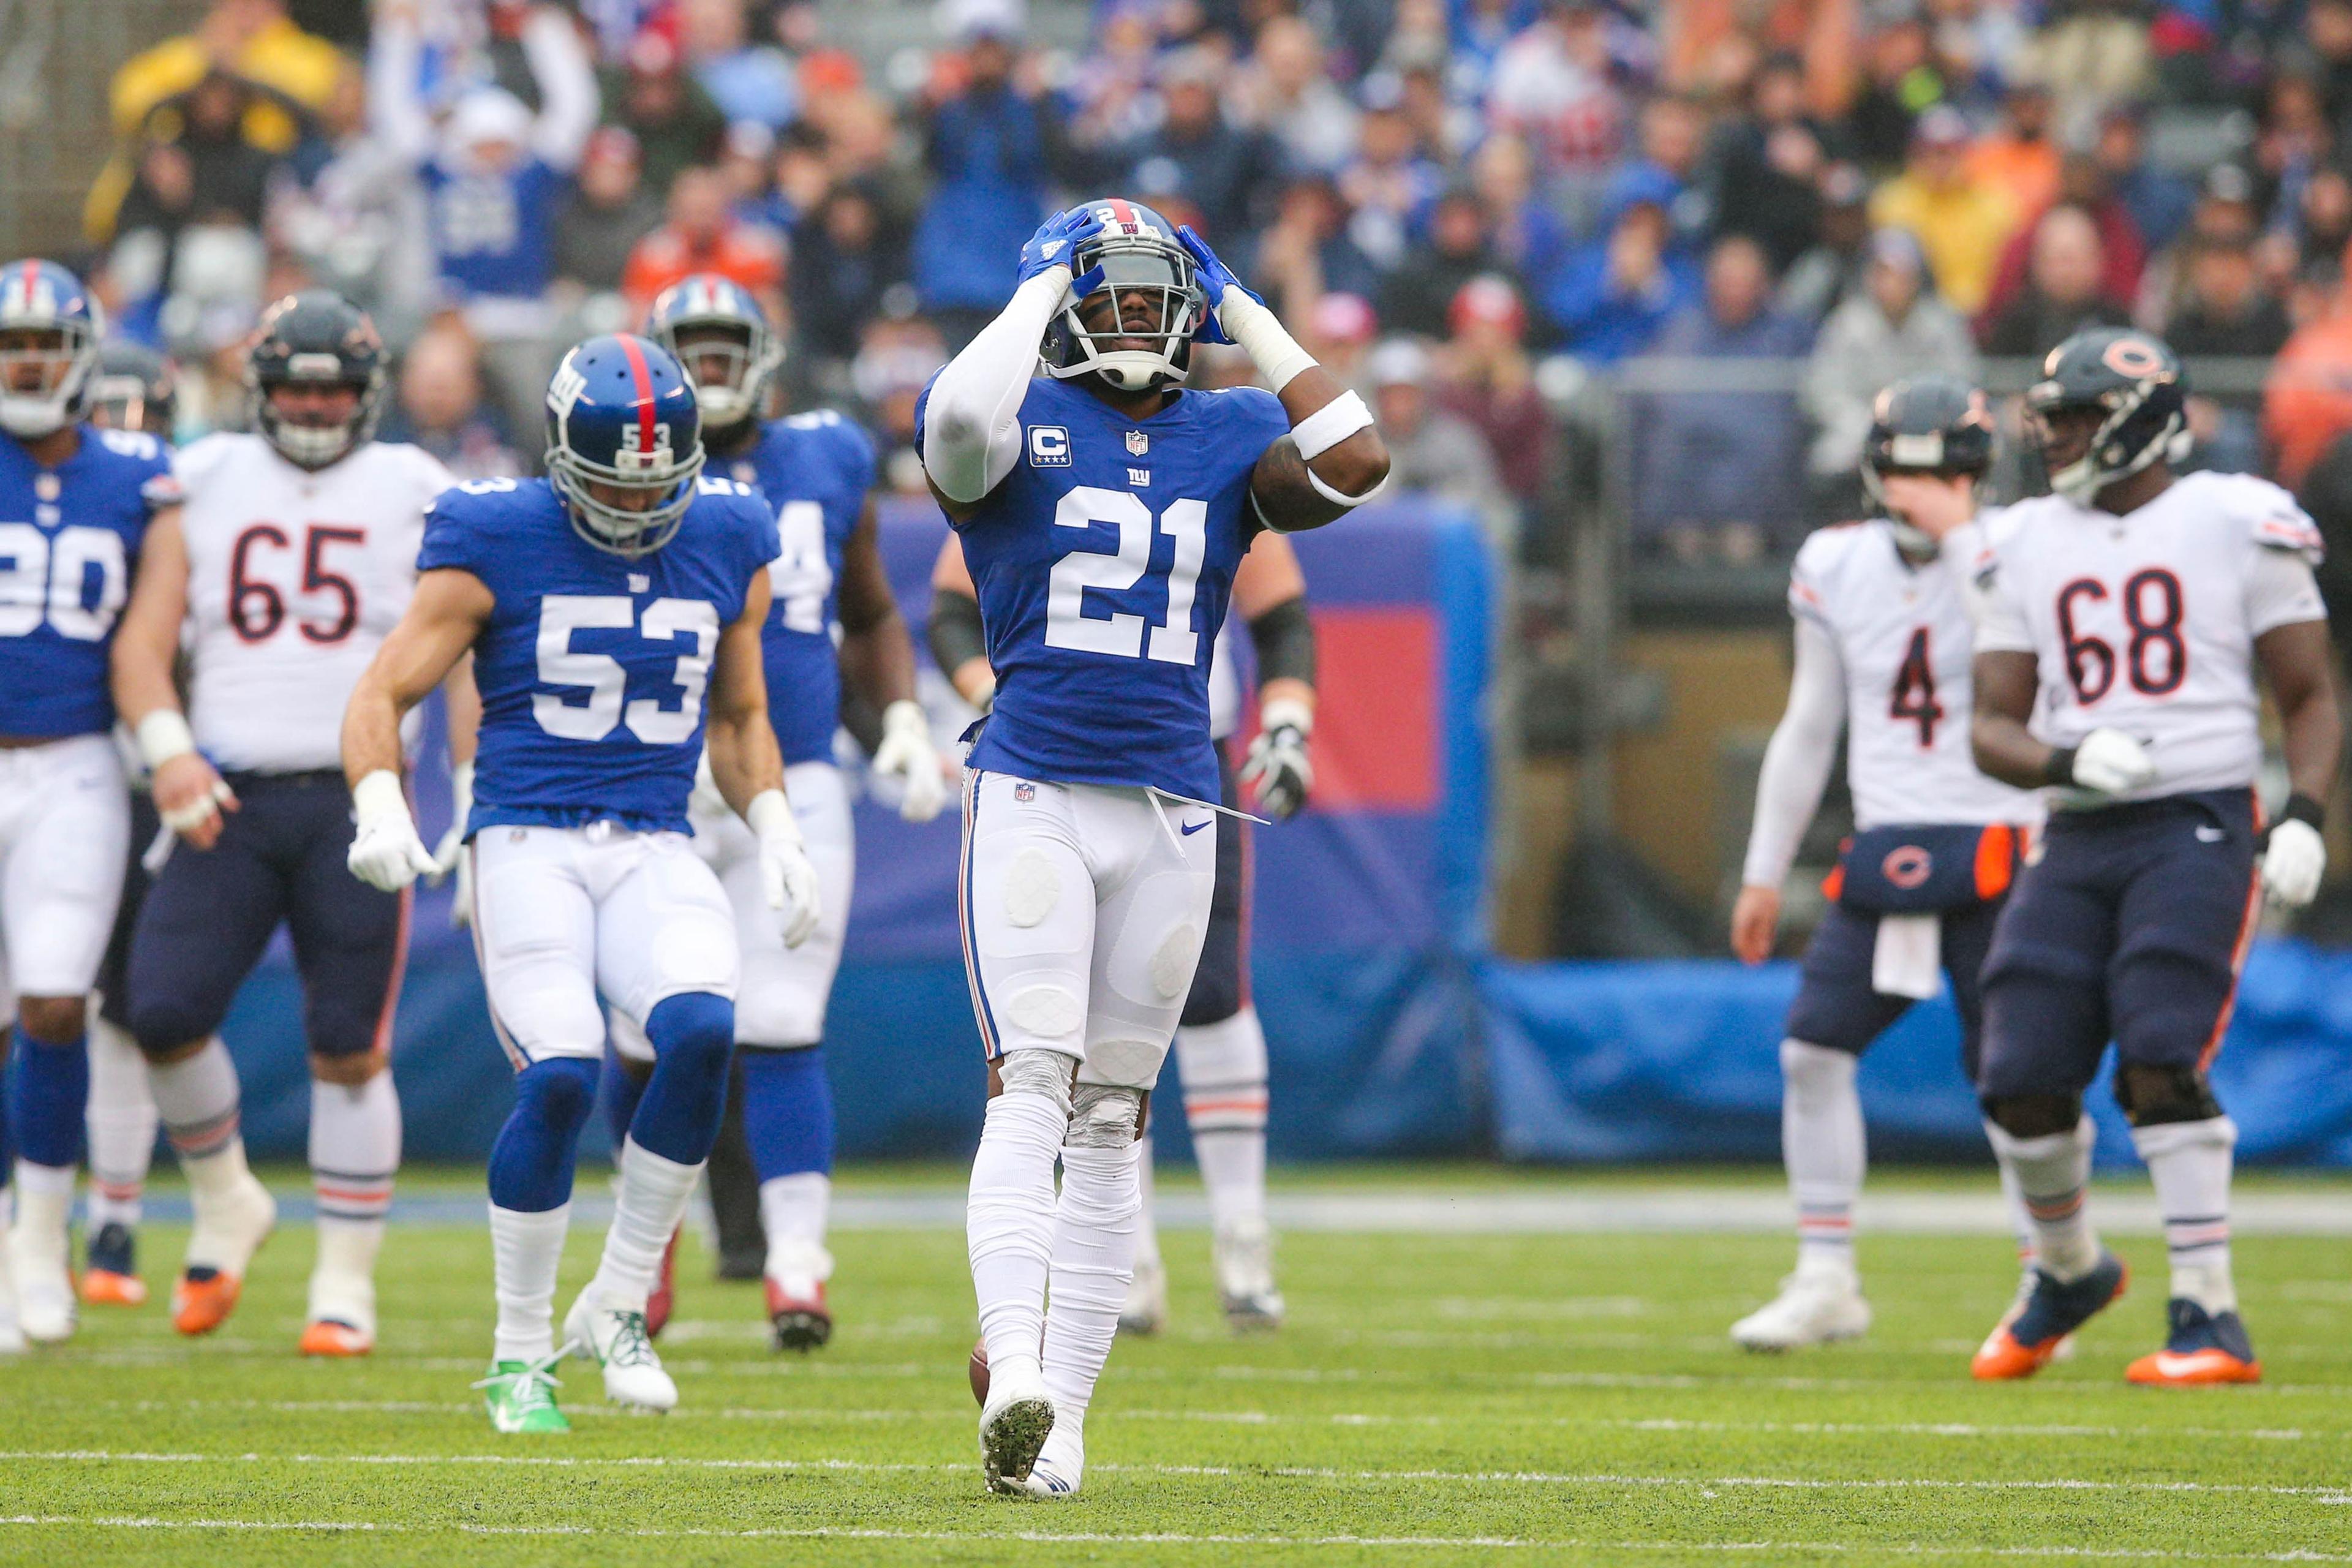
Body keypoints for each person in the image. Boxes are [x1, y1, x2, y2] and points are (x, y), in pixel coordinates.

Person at [921, 198, 1387, 1496]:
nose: (1135, 319)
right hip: (1036, 792)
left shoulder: (1232, 428)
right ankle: (1011, 1364)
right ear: (1065, 307)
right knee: (1035, 1083)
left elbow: (1356, 458)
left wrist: (1245, 306)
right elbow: (957, 424)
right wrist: (1029, 287)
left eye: (1158, 300)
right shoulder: (1011, 418)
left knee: (1118, 1118)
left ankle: (1060, 1427)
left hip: (1177, 805)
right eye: (1107, 297)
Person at [339, 333, 818, 1433]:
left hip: (654, 836)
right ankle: (518, 1354)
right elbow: (384, 688)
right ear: (561, 458)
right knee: (559, 1076)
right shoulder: (492, 532)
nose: (636, 506)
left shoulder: (733, 532)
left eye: (658, 484)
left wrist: (779, 825)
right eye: (611, 480)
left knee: (702, 1029)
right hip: (528, 838)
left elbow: (741, 715)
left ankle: (617, 1302)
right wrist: (376, 798)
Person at [1967, 330, 2339, 1385]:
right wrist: (2064, 755)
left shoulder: (2233, 520)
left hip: (2201, 822)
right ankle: (2070, 1269)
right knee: (2020, 1077)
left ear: (2136, 424)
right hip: (2080, 825)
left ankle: (2210, 1316)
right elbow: (1991, 725)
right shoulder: (2025, 538)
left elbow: (2308, 691)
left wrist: (2302, 811)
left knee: (2162, 1051)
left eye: (2077, 419)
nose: (2055, 438)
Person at [108, 292, 461, 1355]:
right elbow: (142, 641)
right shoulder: (204, 474)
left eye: (333, 387)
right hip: (229, 791)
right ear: (261, 389)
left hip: (358, 798)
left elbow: (472, 641)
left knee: (349, 1046)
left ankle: (343, 1284)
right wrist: (168, 752)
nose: (313, 405)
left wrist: (472, 789)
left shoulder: (417, 489)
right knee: (159, 1010)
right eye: (297, 385)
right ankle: (228, 1198)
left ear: (368, 394)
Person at [615, 274, 947, 1349]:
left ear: (763, 354)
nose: (710, 373)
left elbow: (869, 609)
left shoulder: (826, 454)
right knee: (641, 1030)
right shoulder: (618, 451)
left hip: (796, 772)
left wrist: (896, 712)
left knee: (785, 1019)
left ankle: (798, 1266)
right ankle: (643, 1261)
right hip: (655, 775)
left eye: (726, 351)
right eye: (691, 353)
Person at [928, 519, 1319, 1335]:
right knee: (1059, 1028)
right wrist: (988, 694)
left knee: (1208, 996)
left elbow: (1281, 614)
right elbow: (951, 605)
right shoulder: (1035, 432)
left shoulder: (1215, 439)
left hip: (1178, 761)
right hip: (1047, 760)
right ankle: (1122, 1252)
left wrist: (1288, 724)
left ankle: (1240, 1233)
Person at [1728, 375, 2043, 1350]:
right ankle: (1827, 1277)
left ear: (1975, 476)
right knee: (1812, 1052)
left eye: (1940, 479)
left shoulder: (2020, 550)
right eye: (1904, 478)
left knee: (2022, 1079)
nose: (1917, 497)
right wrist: (1763, 867)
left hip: (2007, 841)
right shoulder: (1836, 559)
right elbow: (1812, 721)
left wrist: (1965, 541)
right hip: (1893, 846)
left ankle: (2052, 1277)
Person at [0, 262, 179, 1348]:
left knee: (59, 1003)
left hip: (74, 765)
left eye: (42, 343)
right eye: (9, 342)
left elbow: (149, 646)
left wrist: (171, 754)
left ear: (80, 357)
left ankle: (41, 1245)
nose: (25, 362)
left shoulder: (139, 478)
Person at [76, 342, 179, 1310]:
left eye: (138, 415)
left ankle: (114, 1215)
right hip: (54, 763)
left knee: (123, 1010)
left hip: (143, 780)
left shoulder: (185, 519)